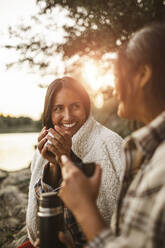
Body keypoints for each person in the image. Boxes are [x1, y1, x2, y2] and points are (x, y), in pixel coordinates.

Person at [58, 22, 165, 248]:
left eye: (117, 74)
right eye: (58, 108)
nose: (114, 89)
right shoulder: (148, 151)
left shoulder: (160, 163)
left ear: (143, 74)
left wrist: (84, 208)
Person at [24, 76, 123, 248]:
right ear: (49, 113)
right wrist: (54, 166)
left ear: (86, 107)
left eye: (75, 106)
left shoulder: (111, 143)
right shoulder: (43, 151)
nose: (68, 117)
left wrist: (67, 160)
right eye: (58, 108)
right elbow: (36, 228)